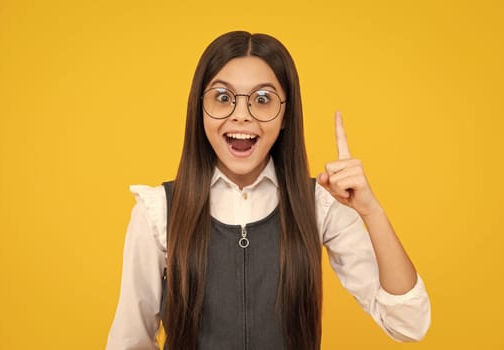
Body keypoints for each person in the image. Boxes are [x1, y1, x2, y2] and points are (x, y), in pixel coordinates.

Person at [106, 31, 431, 350]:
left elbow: (408, 323)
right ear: (199, 108)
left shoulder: (320, 204)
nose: (242, 115)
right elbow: (128, 341)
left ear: (286, 112)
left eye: (262, 100)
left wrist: (371, 212)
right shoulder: (158, 210)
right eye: (222, 97)